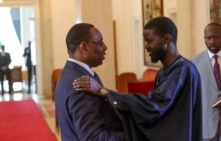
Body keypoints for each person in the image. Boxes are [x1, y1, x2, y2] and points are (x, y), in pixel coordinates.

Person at [73, 16, 203, 141]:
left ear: (166, 39)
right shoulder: (163, 72)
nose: (146, 46)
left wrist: (105, 92)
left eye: (150, 41)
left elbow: (154, 106)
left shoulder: (183, 70)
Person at [55, 23, 124, 141]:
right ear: (84, 48)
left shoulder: (69, 73)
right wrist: (131, 136)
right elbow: (94, 138)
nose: (105, 47)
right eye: (100, 42)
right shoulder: (81, 83)